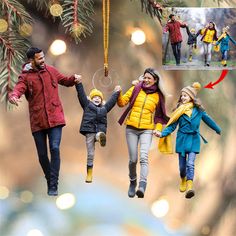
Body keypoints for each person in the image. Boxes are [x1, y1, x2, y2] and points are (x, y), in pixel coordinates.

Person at [8, 47, 81, 196]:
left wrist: (74, 78)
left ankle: (54, 184)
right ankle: (49, 179)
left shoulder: (51, 71)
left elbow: (65, 81)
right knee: (42, 155)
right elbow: (18, 89)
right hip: (38, 121)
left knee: (54, 148)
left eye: (43, 57)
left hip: (55, 118)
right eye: (39, 58)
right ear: (31, 60)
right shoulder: (26, 77)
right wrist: (14, 96)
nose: (43, 60)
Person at [158, 82, 221, 199]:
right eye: (182, 95)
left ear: (191, 97)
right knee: (182, 167)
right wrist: (162, 134)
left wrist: (217, 129)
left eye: (185, 95)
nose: (182, 97)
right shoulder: (179, 111)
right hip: (182, 140)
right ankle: (183, 178)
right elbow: (171, 126)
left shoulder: (199, 111)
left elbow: (208, 120)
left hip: (194, 140)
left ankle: (189, 187)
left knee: (190, 164)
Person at [117, 68, 169, 198]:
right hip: (131, 128)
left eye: (149, 78)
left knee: (144, 157)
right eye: (144, 77)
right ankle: (133, 182)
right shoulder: (136, 88)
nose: (146, 80)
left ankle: (142, 186)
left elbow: (159, 117)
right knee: (133, 159)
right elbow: (122, 103)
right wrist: (118, 93)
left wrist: (158, 129)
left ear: (155, 80)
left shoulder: (158, 96)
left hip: (147, 129)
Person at [75, 76, 120, 183]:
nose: (97, 98)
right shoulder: (86, 105)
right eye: (94, 97)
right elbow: (81, 95)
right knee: (90, 154)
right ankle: (89, 173)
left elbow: (112, 102)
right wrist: (78, 83)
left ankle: (100, 137)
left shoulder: (104, 109)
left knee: (99, 134)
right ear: (90, 99)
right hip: (89, 132)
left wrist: (116, 92)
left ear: (101, 100)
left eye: (99, 97)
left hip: (99, 130)